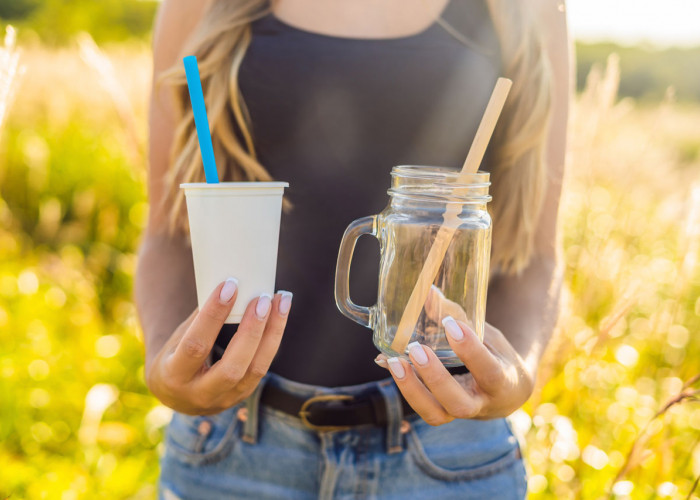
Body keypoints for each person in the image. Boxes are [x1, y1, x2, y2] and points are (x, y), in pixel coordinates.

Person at [136, 0, 570, 498]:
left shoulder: (530, 8)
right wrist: (164, 367)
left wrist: (515, 377)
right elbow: (169, 231)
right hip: (232, 448)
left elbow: (537, 256)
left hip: (450, 452)